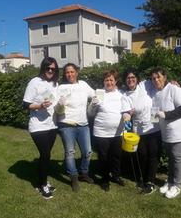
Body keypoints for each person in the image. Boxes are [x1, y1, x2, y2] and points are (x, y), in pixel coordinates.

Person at [151, 67, 181, 199]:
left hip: (178, 133)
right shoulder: (157, 94)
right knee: (171, 159)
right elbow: (156, 113)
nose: (156, 80)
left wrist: (166, 115)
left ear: (165, 77)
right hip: (166, 134)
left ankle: (177, 186)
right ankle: (170, 181)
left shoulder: (174, 89)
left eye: (158, 77)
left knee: (177, 159)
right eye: (153, 78)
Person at [22, 57, 59, 200]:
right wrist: (39, 106)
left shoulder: (55, 84)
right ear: (43, 68)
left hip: (52, 125)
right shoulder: (34, 82)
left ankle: (43, 181)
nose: (50, 71)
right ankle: (42, 184)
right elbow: (26, 104)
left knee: (46, 155)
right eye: (47, 68)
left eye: (53, 69)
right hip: (38, 126)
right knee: (45, 155)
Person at [88, 70, 131, 191]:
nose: (109, 82)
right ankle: (105, 179)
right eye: (107, 80)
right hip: (101, 132)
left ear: (115, 81)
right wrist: (93, 105)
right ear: (104, 81)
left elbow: (126, 109)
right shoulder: (99, 94)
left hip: (118, 132)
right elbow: (90, 114)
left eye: (111, 80)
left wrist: (127, 115)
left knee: (116, 156)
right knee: (103, 157)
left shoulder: (121, 94)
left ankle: (116, 176)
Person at [55, 63, 95, 192]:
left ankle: (84, 173)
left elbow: (95, 95)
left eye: (72, 72)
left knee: (88, 152)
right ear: (64, 74)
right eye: (67, 72)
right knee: (70, 152)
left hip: (83, 124)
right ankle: (73, 177)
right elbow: (56, 108)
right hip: (66, 124)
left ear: (77, 72)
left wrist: (97, 100)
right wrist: (60, 105)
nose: (70, 74)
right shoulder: (60, 87)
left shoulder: (83, 85)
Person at [122, 69, 162, 194]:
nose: (131, 79)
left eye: (133, 77)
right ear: (125, 80)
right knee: (142, 155)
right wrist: (127, 116)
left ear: (137, 78)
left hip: (154, 125)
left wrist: (172, 83)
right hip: (138, 130)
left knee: (153, 156)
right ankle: (144, 178)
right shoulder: (125, 96)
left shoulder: (145, 84)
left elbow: (159, 82)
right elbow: (126, 112)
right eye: (128, 78)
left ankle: (150, 182)